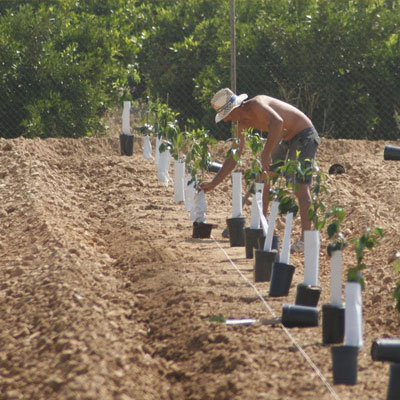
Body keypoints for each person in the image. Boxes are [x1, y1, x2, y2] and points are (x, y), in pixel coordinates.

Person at [199, 87, 321, 252]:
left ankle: (306, 240)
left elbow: (278, 122)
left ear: (234, 108)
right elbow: (234, 156)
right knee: (264, 178)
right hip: (285, 138)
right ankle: (262, 229)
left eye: (226, 116)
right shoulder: (241, 125)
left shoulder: (257, 104)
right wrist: (214, 183)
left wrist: (266, 153)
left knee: (300, 186)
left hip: (304, 134)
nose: (226, 120)